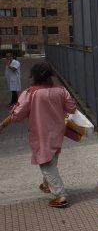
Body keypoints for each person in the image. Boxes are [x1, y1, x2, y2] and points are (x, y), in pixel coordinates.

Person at [0, 62, 76, 208]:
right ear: (51, 75)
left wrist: (2, 125)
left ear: (33, 75)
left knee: (45, 163)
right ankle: (47, 184)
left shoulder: (30, 93)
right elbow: (71, 108)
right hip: (58, 131)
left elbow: (17, 114)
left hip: (40, 133)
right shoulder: (61, 90)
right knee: (51, 157)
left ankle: (60, 195)